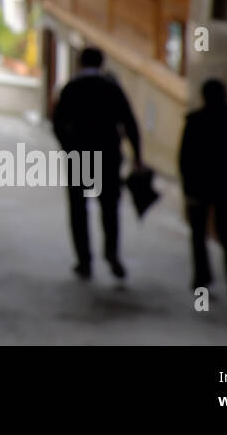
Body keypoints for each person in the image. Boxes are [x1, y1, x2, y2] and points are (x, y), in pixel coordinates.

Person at [51, 46, 142, 280]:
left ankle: (84, 261)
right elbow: (130, 123)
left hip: (79, 156)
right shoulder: (112, 88)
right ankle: (112, 254)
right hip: (108, 156)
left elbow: (58, 122)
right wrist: (137, 157)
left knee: (78, 210)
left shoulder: (72, 87)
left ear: (80, 62)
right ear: (102, 63)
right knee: (110, 208)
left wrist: (67, 146)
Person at [179, 79, 227, 301]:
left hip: (200, 187)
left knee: (199, 235)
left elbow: (186, 159)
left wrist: (188, 188)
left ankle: (202, 278)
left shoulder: (196, 121)